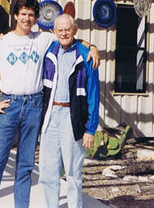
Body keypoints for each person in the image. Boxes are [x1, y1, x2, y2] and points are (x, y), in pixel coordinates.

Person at [0, 0, 99, 208]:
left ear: (36, 18)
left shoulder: (43, 39)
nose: (27, 19)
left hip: (34, 107)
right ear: (15, 16)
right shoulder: (2, 42)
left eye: (31, 15)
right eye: (23, 14)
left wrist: (92, 47)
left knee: (26, 166)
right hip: (9, 107)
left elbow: (69, 37)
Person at [39, 13, 100, 208]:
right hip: (50, 116)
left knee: (73, 173)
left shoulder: (86, 55)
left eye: (68, 29)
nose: (64, 33)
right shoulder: (49, 51)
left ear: (74, 30)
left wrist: (90, 129)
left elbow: (93, 94)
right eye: (60, 30)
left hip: (72, 118)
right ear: (54, 31)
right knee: (48, 172)